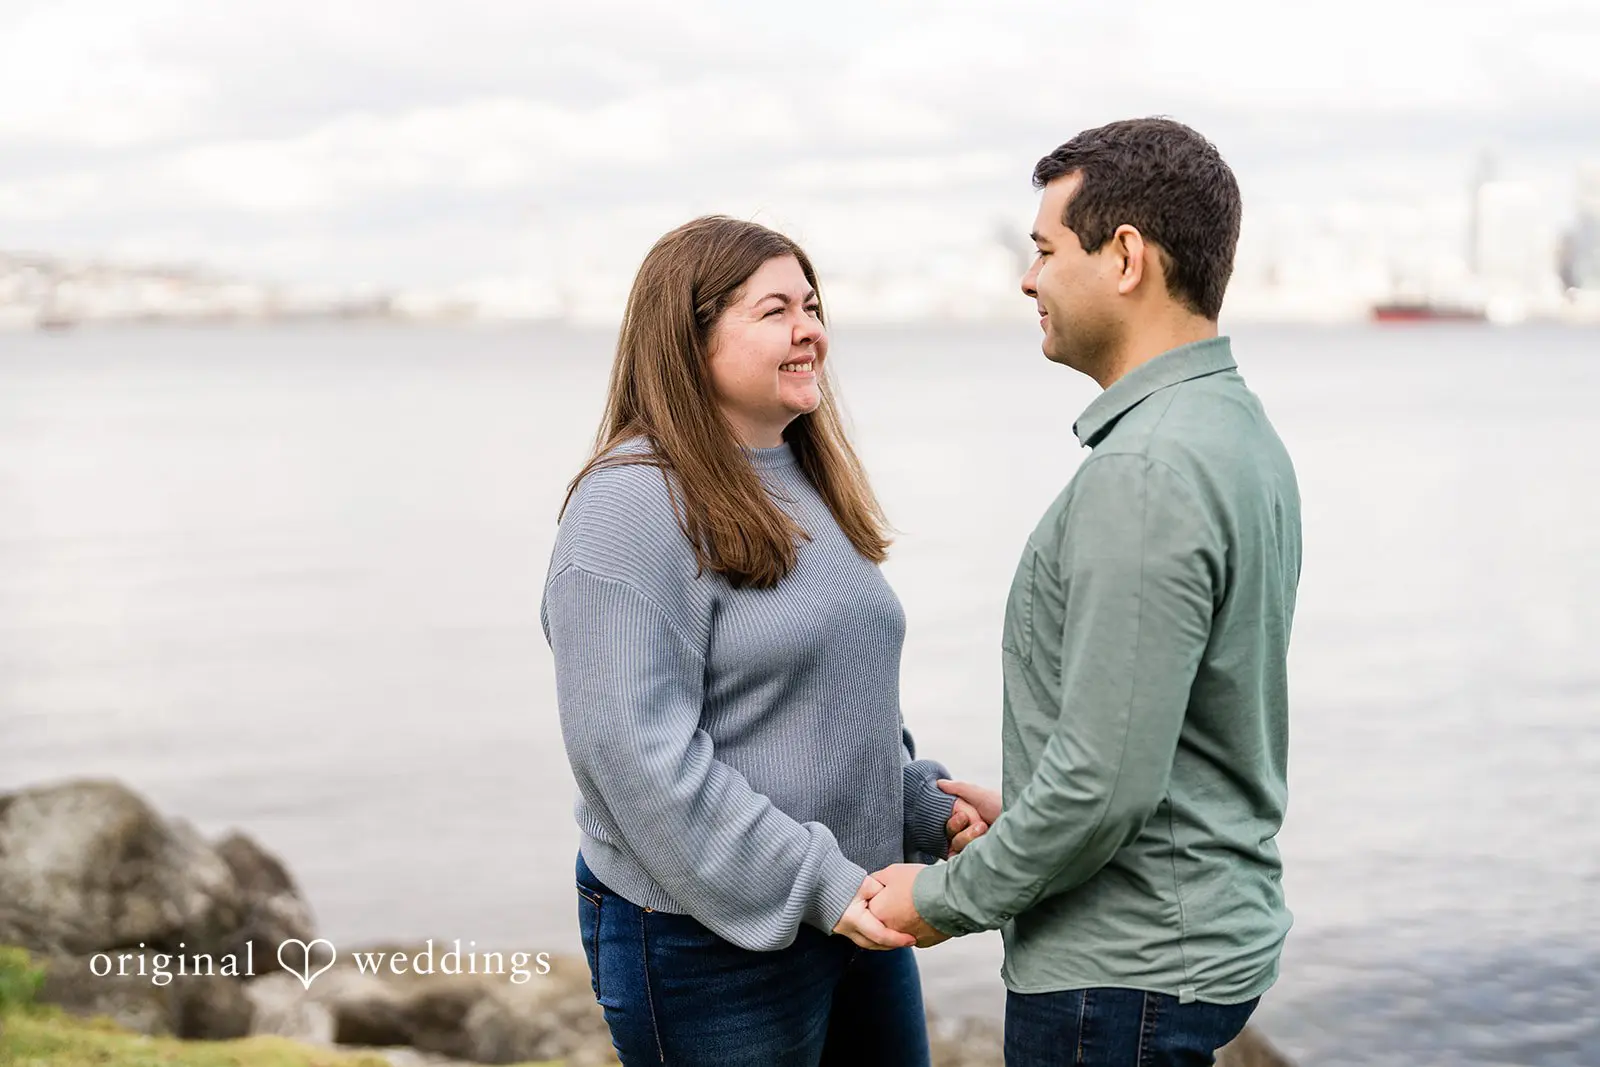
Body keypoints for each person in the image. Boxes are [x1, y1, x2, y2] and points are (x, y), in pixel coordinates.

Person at [867, 117, 1303, 1067]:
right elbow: (1159, 727)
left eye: (1045, 249)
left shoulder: (1146, 471)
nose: (1029, 279)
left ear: (1126, 257)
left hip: (1124, 976)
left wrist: (943, 899)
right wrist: (1027, 810)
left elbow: (1105, 786)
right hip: (1188, 944)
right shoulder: (1233, 431)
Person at [539, 214, 990, 1066]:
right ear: (690, 336)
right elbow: (631, 756)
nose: (810, 329)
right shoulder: (629, 507)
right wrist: (820, 882)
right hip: (706, 942)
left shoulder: (807, 476)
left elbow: (831, 711)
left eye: (813, 306)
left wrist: (919, 808)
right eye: (776, 309)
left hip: (855, 911)